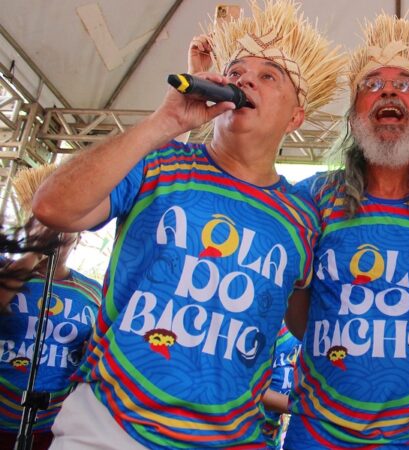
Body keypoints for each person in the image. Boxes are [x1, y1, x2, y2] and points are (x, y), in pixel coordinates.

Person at [31, 1, 345, 448]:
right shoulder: (158, 163)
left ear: (296, 117)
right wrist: (166, 122)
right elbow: (51, 207)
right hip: (109, 428)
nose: (244, 80)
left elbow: (310, 321)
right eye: (236, 71)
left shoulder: (304, 217)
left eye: (269, 75)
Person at [282, 14, 409, 449]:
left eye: (407, 84)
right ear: (352, 121)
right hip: (321, 435)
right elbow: (300, 318)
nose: (388, 90)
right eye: (371, 85)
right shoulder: (309, 200)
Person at [0, 165, 102, 450]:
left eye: (67, 228)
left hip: (54, 421)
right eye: (45, 225)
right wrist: (33, 252)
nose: (57, 235)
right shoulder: (7, 272)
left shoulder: (92, 292)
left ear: (79, 237)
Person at [261, 323, 301, 449]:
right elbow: (253, 392)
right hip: (251, 434)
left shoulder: (305, 329)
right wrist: (303, 406)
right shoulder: (269, 325)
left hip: (274, 436)